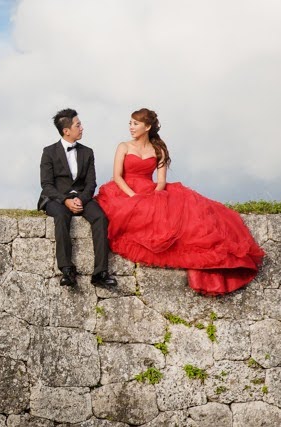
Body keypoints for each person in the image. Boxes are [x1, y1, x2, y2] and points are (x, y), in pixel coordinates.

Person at [95, 108, 265, 295]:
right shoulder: (124, 146)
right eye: (130, 123)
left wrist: (154, 195)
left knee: (192, 215)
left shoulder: (158, 149)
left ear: (147, 127)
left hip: (150, 190)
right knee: (139, 214)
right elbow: (117, 176)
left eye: (135, 123)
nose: (131, 127)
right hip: (124, 191)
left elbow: (160, 181)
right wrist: (133, 196)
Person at [36, 108, 117, 289]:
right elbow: (46, 185)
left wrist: (81, 199)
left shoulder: (87, 152)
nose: (82, 128)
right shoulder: (48, 152)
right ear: (66, 131)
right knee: (61, 216)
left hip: (82, 198)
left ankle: (100, 273)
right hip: (57, 199)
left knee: (100, 217)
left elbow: (91, 183)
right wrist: (65, 201)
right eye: (78, 125)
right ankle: (67, 270)